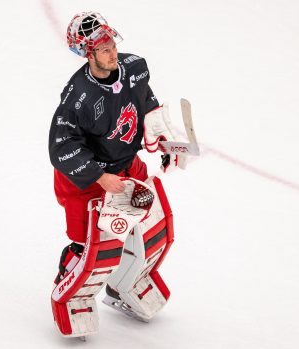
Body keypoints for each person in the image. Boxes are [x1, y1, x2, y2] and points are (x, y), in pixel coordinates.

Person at [49, 11, 180, 329]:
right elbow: (61, 148)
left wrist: (161, 138)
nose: (112, 51)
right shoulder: (77, 97)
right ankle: (70, 295)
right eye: (102, 47)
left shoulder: (135, 67)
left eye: (111, 42)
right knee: (91, 248)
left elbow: (146, 101)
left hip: (125, 166)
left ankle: (127, 285)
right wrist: (98, 176)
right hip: (86, 179)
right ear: (86, 53)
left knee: (154, 231)